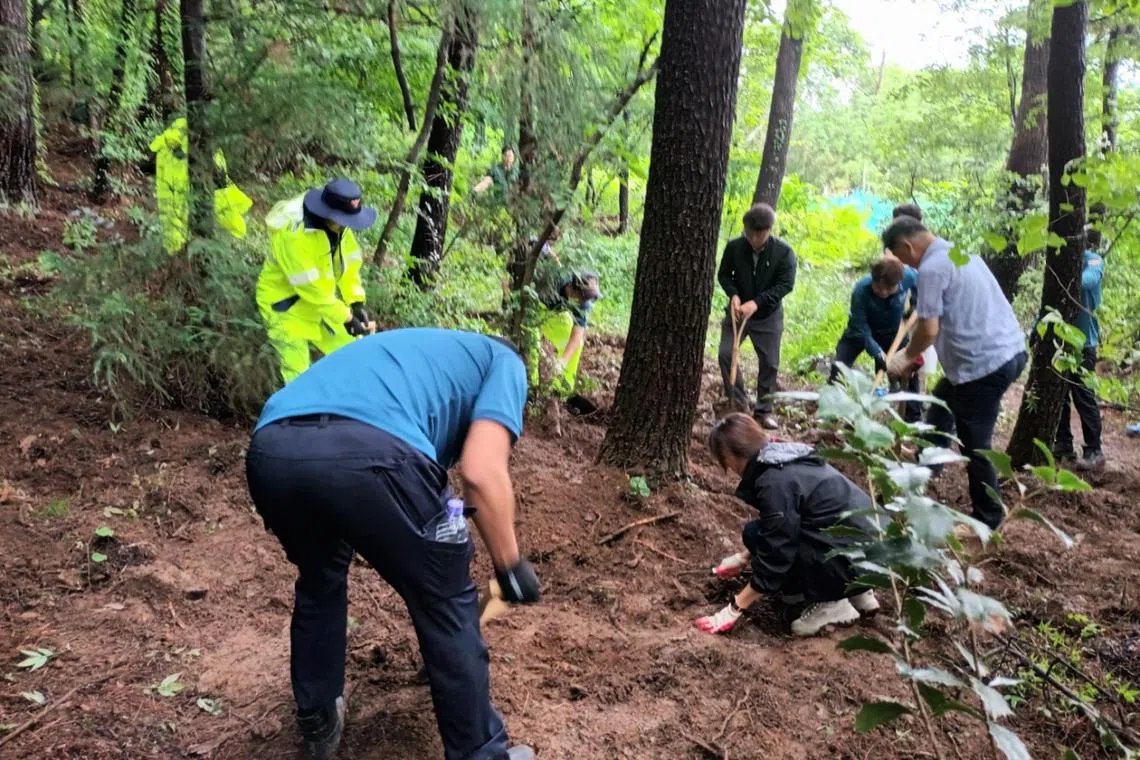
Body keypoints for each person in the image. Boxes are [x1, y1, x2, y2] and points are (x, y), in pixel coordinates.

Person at [245, 328, 540, 760]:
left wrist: (449, 536)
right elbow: (480, 470)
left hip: (273, 451)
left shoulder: (419, 355)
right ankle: (482, 754)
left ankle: (318, 714)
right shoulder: (506, 363)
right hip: (371, 451)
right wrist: (509, 565)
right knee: (447, 595)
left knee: (320, 575)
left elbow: (435, 488)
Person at [883, 216, 1027, 531]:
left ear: (908, 245)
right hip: (1008, 351)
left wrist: (906, 356)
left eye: (902, 257)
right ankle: (926, 467)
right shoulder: (962, 254)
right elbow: (931, 317)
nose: (906, 265)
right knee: (943, 400)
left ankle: (989, 518)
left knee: (974, 441)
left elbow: (929, 329)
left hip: (983, 366)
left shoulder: (932, 269)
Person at [694, 414, 880, 637]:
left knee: (774, 544)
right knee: (755, 534)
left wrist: (733, 609)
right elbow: (779, 526)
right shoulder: (787, 456)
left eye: (725, 461)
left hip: (851, 557)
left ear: (731, 455)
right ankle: (857, 592)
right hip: (872, 549)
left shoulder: (774, 481)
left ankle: (833, 604)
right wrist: (743, 558)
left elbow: (777, 551)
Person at [256, 178, 377, 384]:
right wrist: (346, 318)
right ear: (329, 213)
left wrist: (356, 303)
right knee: (298, 376)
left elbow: (350, 266)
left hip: (322, 305)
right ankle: (294, 414)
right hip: (285, 306)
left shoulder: (340, 228)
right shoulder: (294, 236)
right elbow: (311, 289)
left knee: (355, 352)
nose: (348, 226)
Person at [716, 203, 797, 430]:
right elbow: (724, 275)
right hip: (738, 312)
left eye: (757, 234)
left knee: (769, 363)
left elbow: (785, 285)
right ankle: (739, 403)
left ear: (769, 230)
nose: (752, 238)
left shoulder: (784, 253)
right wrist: (733, 295)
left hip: (767, 316)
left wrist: (757, 302)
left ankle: (763, 410)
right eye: (748, 233)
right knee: (725, 353)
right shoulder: (734, 247)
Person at [829, 254, 922, 422]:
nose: (882, 292)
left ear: (898, 283)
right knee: (839, 365)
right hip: (859, 333)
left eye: (888, 289)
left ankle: (912, 417)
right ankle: (831, 410)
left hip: (893, 333)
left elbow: (920, 281)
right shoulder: (861, 291)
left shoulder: (908, 276)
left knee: (909, 369)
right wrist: (879, 354)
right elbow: (861, 328)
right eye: (877, 288)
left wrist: (915, 301)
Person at [149, 117, 253, 254]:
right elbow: (220, 174)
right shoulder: (205, 143)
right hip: (201, 190)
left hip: (176, 192)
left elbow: (151, 158)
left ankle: (176, 249)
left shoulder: (165, 143)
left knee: (174, 216)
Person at [1051, 228, 1105, 469]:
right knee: (1059, 396)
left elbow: (1088, 281)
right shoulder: (1060, 265)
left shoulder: (1093, 260)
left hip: (1084, 343)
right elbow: (1049, 300)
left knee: (1083, 395)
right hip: (1060, 340)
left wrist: (1066, 274)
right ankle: (1063, 444)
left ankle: (1094, 450)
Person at [537, 269, 602, 397]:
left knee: (576, 345)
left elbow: (578, 332)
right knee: (532, 345)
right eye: (582, 297)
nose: (584, 301)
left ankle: (562, 390)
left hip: (556, 312)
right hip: (536, 306)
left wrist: (562, 362)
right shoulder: (551, 282)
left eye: (587, 298)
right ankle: (531, 388)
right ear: (571, 288)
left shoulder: (582, 303)